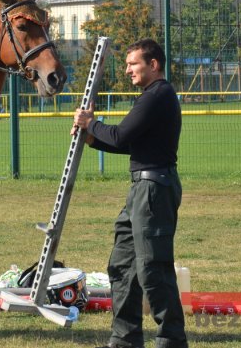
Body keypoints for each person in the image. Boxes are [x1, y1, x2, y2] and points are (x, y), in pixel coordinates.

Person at [72, 39, 188, 348]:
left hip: (153, 191)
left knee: (153, 268)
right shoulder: (151, 97)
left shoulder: (158, 95)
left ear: (153, 64)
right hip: (141, 189)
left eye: (133, 64)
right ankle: (125, 339)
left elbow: (121, 135)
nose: (127, 71)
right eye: (126, 65)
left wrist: (91, 123)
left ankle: (172, 340)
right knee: (122, 266)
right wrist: (92, 138)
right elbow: (129, 144)